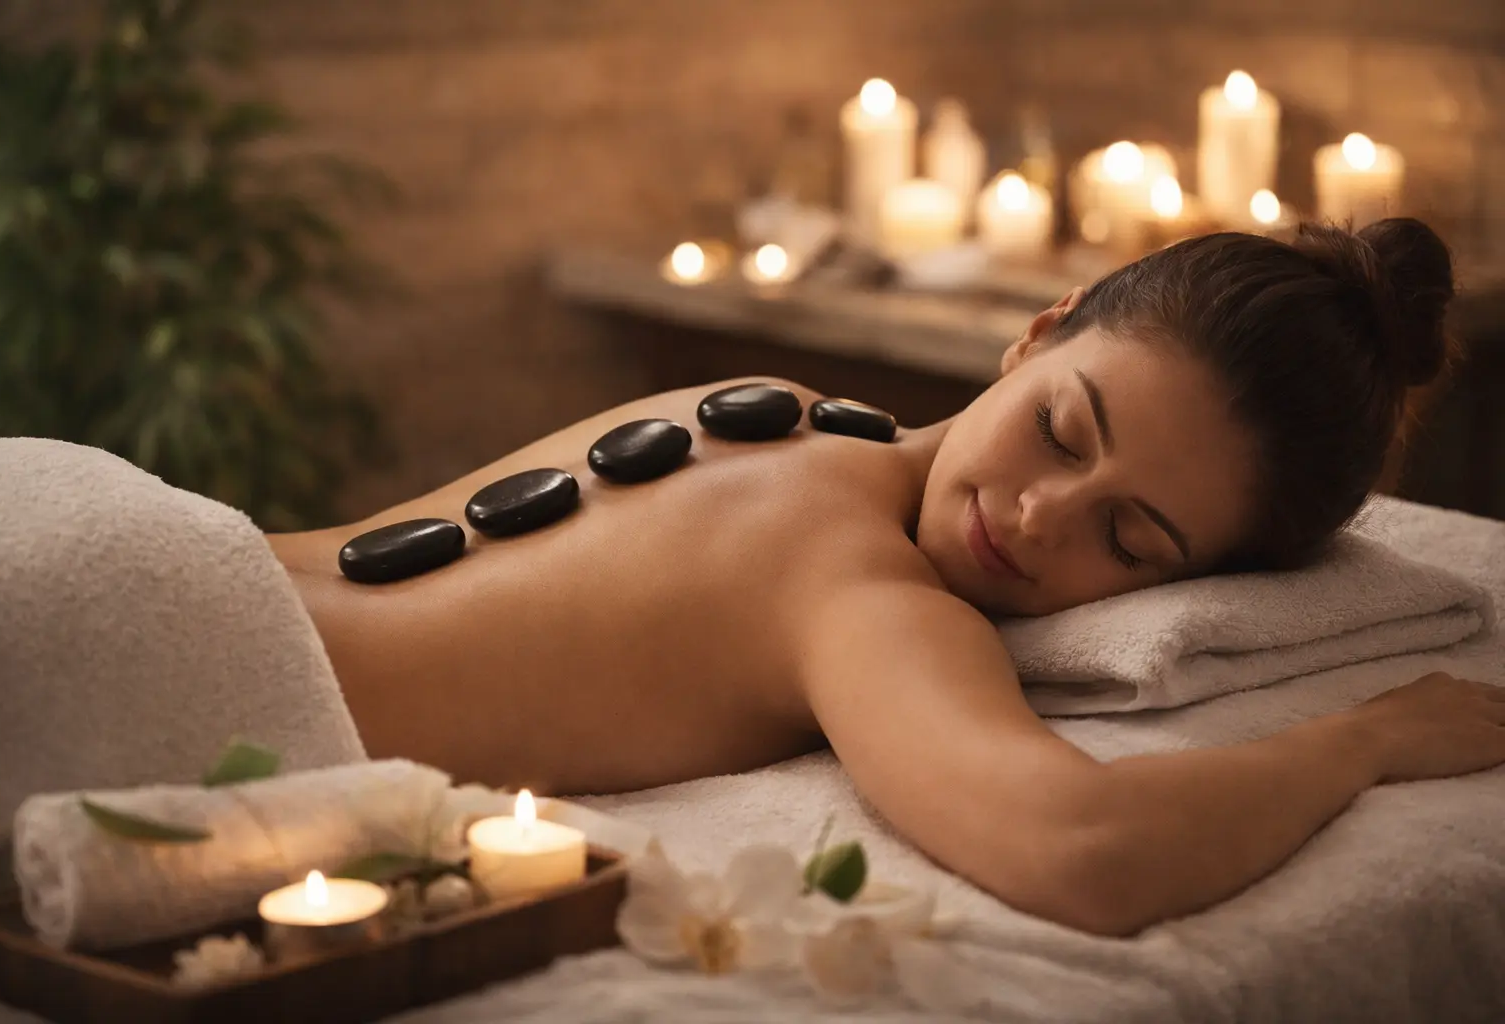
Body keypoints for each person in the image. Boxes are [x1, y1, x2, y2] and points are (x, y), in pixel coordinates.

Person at [268, 218, 1505, 936]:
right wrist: (1370, 739)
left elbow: (1080, 848)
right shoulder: (867, 592)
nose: (1033, 515)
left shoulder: (808, 445)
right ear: (1039, 327)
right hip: (198, 623)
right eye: (1062, 431)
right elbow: (1088, 851)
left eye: (1130, 545)